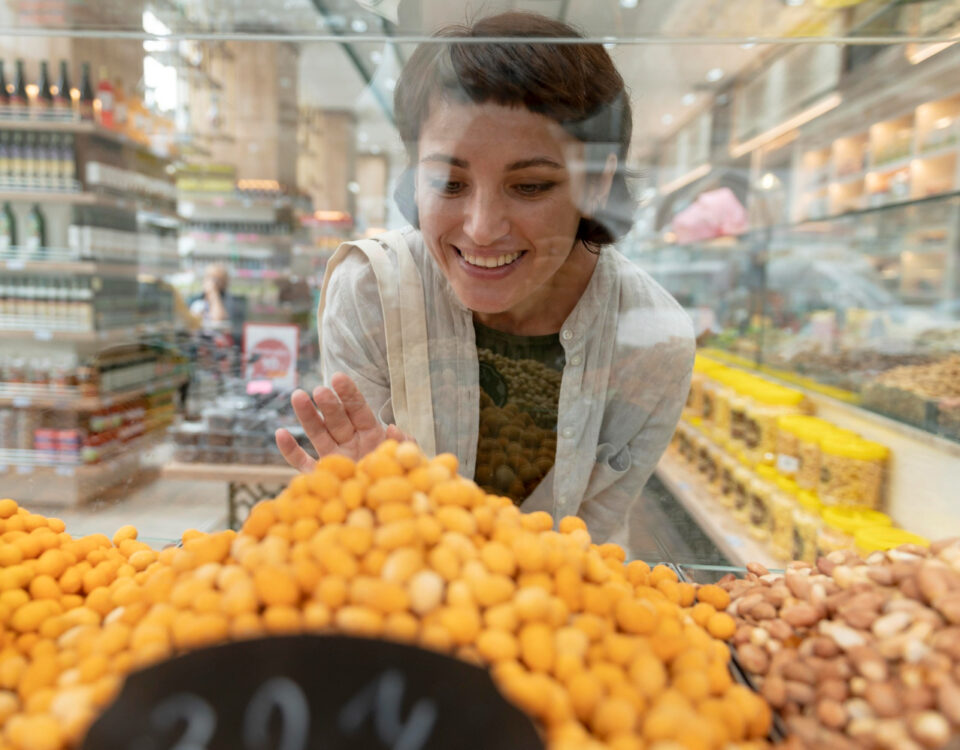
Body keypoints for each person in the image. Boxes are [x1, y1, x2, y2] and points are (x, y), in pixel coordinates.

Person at [275, 12, 694, 552]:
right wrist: (363, 503)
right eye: (449, 182)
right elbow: (367, 532)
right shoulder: (371, 291)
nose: (481, 228)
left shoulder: (653, 341)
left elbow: (583, 548)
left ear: (598, 183)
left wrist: (418, 511)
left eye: (530, 186)